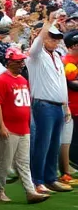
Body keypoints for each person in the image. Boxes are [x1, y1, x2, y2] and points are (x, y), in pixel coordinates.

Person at [0, 45, 48, 203]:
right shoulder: (2, 80)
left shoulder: (22, 80)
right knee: (4, 161)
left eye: (22, 61)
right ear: (8, 62)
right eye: (18, 61)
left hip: (23, 127)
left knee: (23, 161)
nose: (21, 63)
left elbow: (26, 103)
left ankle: (30, 191)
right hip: (10, 127)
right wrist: (1, 125)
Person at [27, 15, 72, 193]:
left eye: (57, 38)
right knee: (43, 143)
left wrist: (65, 104)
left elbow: (61, 83)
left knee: (54, 143)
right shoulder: (35, 56)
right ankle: (38, 180)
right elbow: (36, 44)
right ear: (44, 37)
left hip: (56, 105)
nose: (55, 41)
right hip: (43, 104)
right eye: (51, 37)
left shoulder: (56, 57)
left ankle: (50, 177)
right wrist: (48, 23)